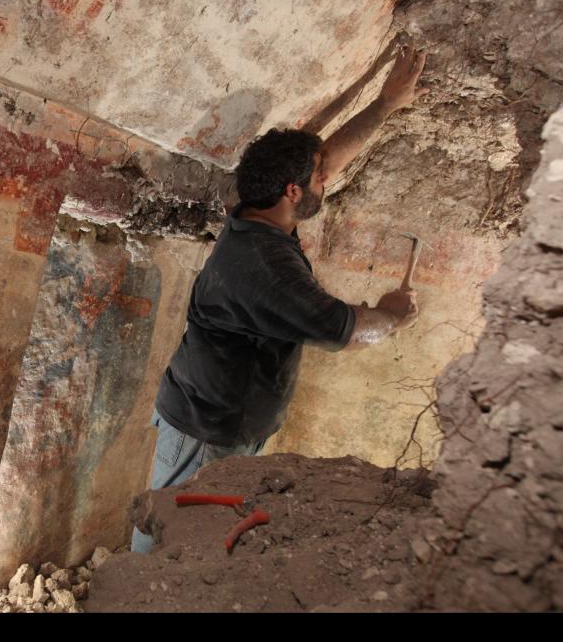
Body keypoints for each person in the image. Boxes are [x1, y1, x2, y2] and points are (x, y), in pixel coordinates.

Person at [131, 45, 429, 554]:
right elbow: (350, 329)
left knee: (192, 534)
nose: (327, 178)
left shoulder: (248, 205)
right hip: (207, 430)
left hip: (215, 417)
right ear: (291, 191)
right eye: (317, 178)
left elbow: (328, 156)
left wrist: (384, 104)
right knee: (172, 543)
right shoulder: (267, 271)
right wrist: (394, 315)